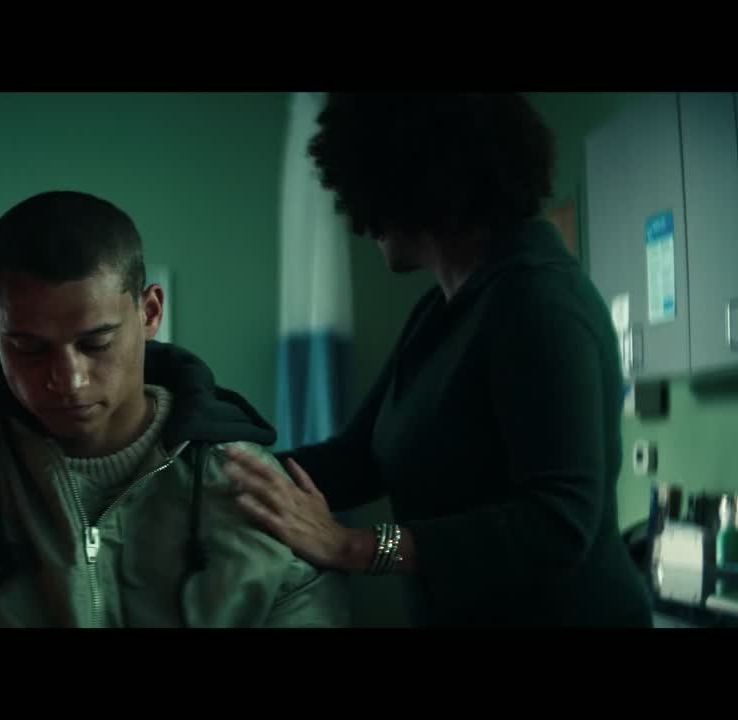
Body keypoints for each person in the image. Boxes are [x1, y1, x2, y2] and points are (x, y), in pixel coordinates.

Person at [222, 93, 653, 627]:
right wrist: (218, 475)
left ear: (422, 177)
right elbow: (359, 458)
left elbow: (557, 522)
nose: (359, 220)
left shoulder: (537, 301)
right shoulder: (440, 313)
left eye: (368, 188)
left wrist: (354, 546)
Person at [0, 190, 348, 627]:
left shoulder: (251, 490)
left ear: (150, 312)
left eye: (96, 343)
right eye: (30, 348)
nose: (68, 379)